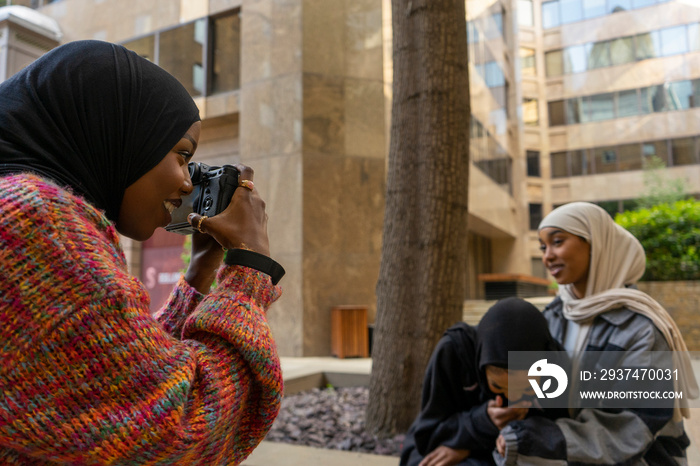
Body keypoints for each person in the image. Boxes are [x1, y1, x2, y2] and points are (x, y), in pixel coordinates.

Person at [0, 40, 284, 464]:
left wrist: (201, 271)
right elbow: (179, 431)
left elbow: (106, 381)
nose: (188, 183)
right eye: (182, 155)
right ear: (116, 133)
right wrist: (249, 270)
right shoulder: (35, 221)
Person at [494, 201, 697, 465]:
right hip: (572, 450)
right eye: (543, 247)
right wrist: (508, 413)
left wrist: (533, 438)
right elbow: (534, 395)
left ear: (596, 245)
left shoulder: (642, 328)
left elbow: (630, 431)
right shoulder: (552, 315)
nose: (547, 256)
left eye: (557, 242)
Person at [400, 297, 569, 466]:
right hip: (444, 444)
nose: (512, 397)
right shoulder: (455, 352)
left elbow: (555, 435)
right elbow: (427, 435)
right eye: (497, 386)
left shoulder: (554, 366)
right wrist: (482, 422)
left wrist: (516, 433)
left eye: (528, 388)